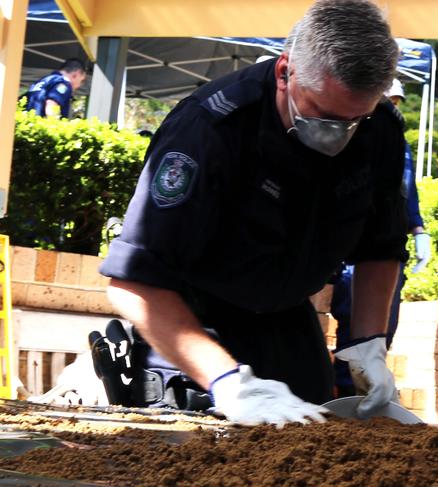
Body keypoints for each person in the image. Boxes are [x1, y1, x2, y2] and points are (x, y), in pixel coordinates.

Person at [99, 0, 408, 427]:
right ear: (285, 72)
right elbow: (133, 283)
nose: (339, 136)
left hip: (288, 323)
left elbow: (381, 246)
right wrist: (228, 382)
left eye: (355, 120)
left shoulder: (379, 131)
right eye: (324, 115)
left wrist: (367, 345)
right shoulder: (209, 131)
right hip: (194, 327)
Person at [330, 78, 431, 397]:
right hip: (345, 246)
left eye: (397, 101)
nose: (393, 105)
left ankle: (362, 387)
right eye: (389, 98)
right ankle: (347, 392)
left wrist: (417, 229)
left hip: (380, 241)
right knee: (349, 317)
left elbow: (401, 194)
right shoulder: (342, 133)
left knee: (379, 329)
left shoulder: (393, 138)